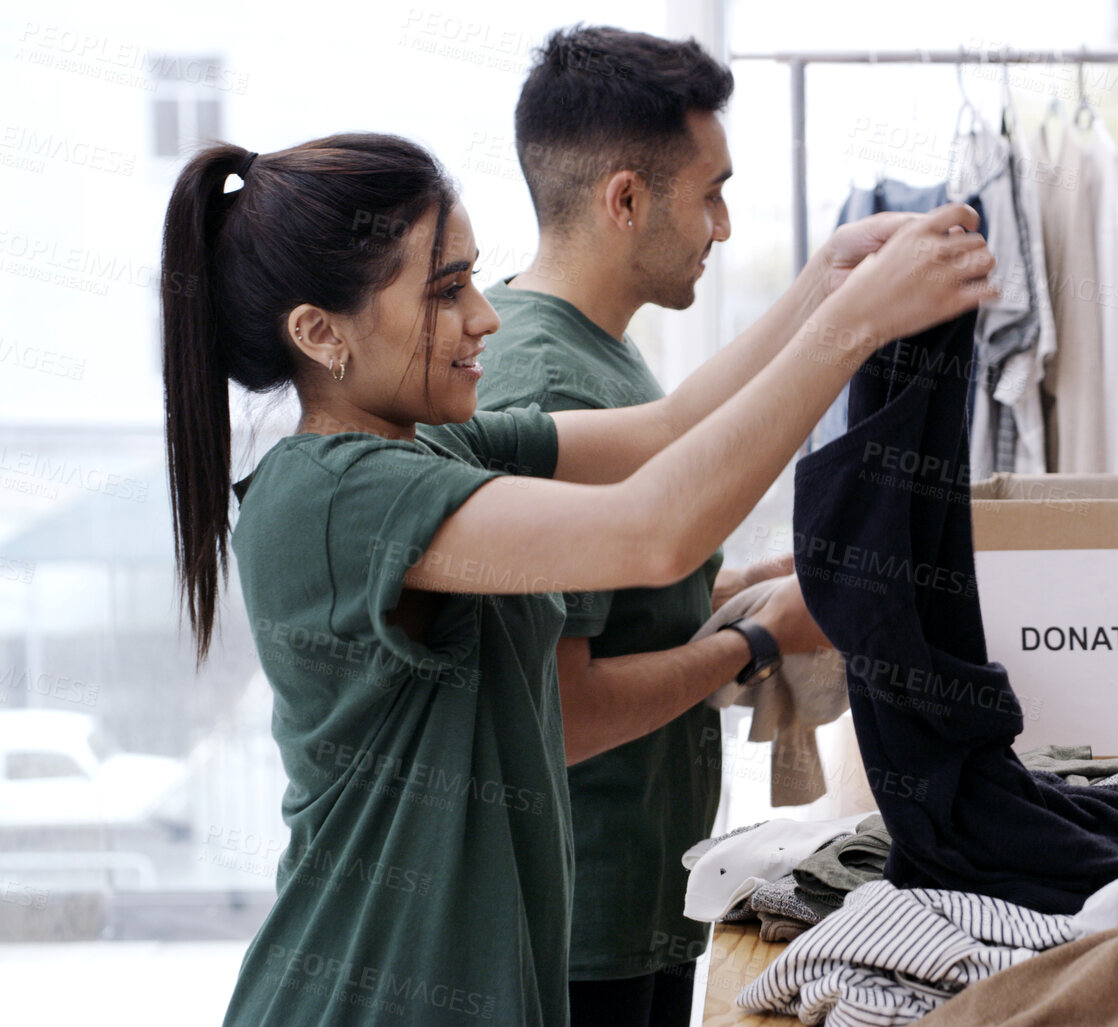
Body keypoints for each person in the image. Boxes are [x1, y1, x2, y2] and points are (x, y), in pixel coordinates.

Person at [160, 131, 993, 1026]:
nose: (485, 314)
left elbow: (664, 430)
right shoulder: (334, 496)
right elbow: (652, 533)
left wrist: (825, 282)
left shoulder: (433, 443)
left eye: (473, 277)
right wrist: (852, 325)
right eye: (447, 290)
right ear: (320, 333)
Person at [474, 28, 880, 1025]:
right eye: (711, 192)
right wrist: (755, 639)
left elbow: (609, 608)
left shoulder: (601, 362)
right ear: (623, 199)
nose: (725, 224)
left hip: (633, 904)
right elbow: (563, 713)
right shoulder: (548, 377)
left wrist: (731, 592)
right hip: (582, 929)